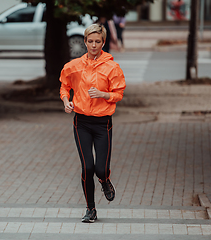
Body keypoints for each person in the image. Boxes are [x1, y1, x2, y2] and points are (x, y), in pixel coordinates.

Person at [59, 24, 126, 223]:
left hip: (103, 123)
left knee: (100, 169)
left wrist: (103, 94)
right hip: (81, 123)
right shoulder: (74, 65)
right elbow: (65, 85)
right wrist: (66, 101)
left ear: (103, 43)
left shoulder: (112, 67)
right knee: (87, 167)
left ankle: (105, 180)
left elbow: (118, 94)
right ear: (85, 42)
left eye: (98, 41)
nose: (94, 45)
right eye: (90, 41)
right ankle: (91, 209)